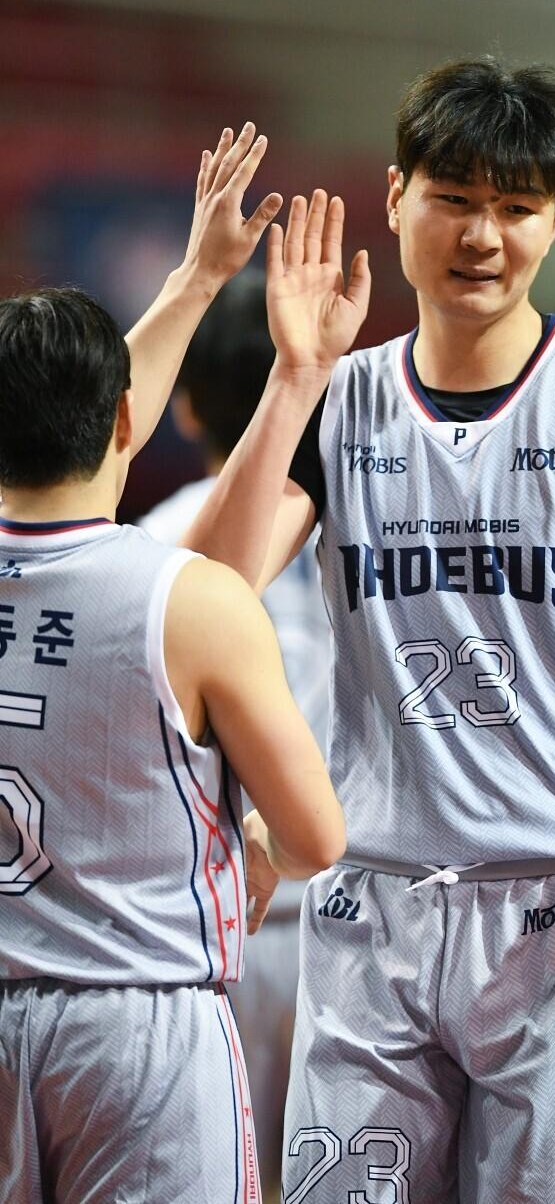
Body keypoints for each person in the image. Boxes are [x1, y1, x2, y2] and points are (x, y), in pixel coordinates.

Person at [151, 63, 555, 1200]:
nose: (483, 235)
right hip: (371, 908)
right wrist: (294, 377)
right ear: (395, 196)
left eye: (516, 207)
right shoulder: (337, 400)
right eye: (455, 198)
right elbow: (204, 593)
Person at [0, 134, 345, 1204]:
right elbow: (316, 837)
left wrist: (197, 275)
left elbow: (102, 414)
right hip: (139, 1024)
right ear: (125, 421)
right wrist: (296, 376)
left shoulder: (171, 571)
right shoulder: (187, 595)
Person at [139, 270, 330, 1188]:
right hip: (349, 923)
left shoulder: (152, 546)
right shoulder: (364, 526)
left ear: (183, 410)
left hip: (211, 929)